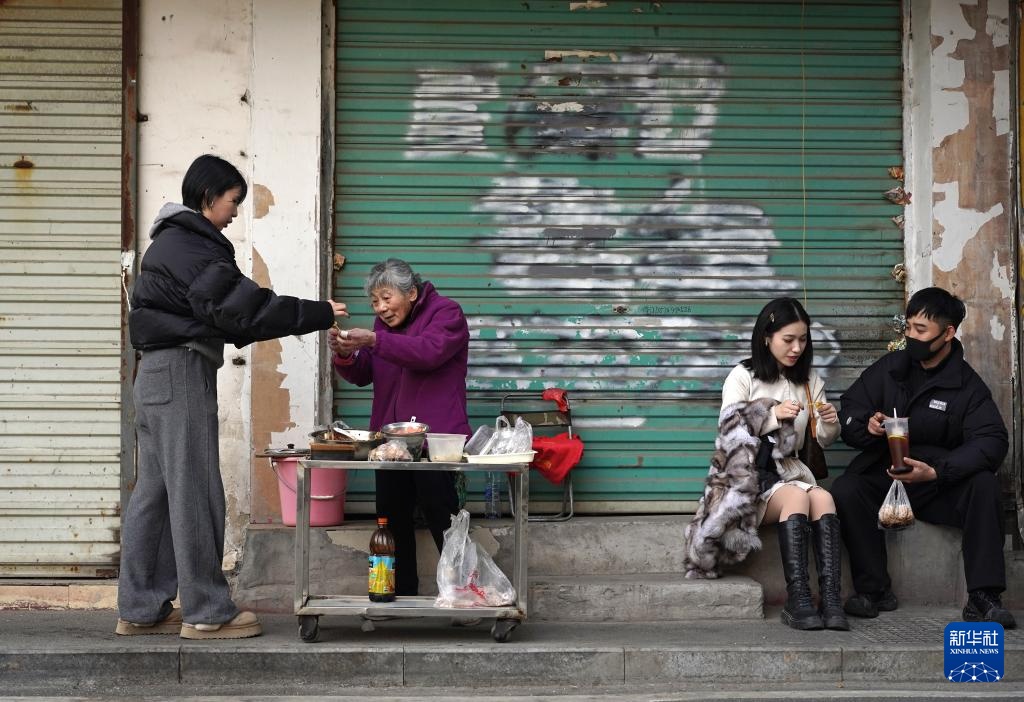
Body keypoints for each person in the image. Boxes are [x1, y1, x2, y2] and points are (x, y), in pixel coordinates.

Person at [118, 155, 348, 639]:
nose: (236, 212)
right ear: (208, 198)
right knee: (195, 491)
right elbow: (246, 310)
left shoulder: (171, 242)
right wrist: (319, 313)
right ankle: (207, 611)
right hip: (180, 372)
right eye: (232, 201)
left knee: (155, 495)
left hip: (156, 375)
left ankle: (140, 609)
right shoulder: (191, 247)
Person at [831, 287, 1014, 627]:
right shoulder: (890, 368)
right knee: (846, 488)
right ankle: (874, 591)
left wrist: (937, 471)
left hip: (937, 485)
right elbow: (850, 411)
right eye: (909, 327)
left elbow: (992, 441)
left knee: (984, 485)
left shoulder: (967, 386)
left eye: (920, 330)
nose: (910, 336)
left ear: (948, 333)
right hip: (886, 476)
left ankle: (983, 597)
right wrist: (866, 426)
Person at [328, 258, 469, 596]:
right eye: (375, 302)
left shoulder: (446, 313)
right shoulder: (382, 329)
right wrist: (346, 355)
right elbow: (364, 375)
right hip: (390, 441)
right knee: (391, 519)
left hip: (435, 439)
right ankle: (399, 592)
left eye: (387, 298)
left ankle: (463, 591)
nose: (381, 308)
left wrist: (375, 343)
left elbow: (428, 353)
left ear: (412, 293)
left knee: (442, 516)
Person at [720, 297, 846, 630]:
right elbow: (728, 430)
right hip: (750, 478)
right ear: (766, 337)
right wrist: (772, 415)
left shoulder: (809, 380)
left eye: (802, 340)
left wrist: (831, 421)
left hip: (791, 472)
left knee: (824, 498)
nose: (796, 348)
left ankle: (831, 600)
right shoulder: (743, 376)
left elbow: (824, 438)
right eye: (788, 339)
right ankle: (799, 598)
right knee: (797, 497)